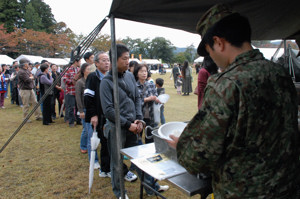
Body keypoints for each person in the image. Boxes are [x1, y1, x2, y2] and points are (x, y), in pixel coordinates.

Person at [167, 4, 300, 198]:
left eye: (209, 51)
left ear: (218, 42)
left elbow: (198, 158)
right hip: (287, 187)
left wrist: (182, 145)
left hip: (244, 192)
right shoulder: (280, 73)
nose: (211, 57)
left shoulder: (227, 84)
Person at [100, 44, 168, 199]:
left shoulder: (130, 76)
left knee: (142, 159)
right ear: (113, 60)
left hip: (134, 125)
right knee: (117, 163)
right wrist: (127, 124)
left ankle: (152, 188)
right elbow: (109, 110)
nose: (127, 62)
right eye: (124, 59)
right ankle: (120, 193)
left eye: (128, 58)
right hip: (117, 128)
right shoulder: (106, 82)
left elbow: (137, 98)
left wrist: (139, 119)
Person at [84, 51, 111, 175]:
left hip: (110, 114)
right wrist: (93, 115)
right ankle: (105, 169)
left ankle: (106, 168)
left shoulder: (110, 76)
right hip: (99, 115)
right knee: (104, 142)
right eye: (104, 60)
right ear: (96, 63)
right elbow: (88, 98)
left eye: (108, 60)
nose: (107, 63)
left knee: (109, 141)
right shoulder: (93, 77)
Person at [134, 64, 161, 143]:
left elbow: (156, 96)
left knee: (150, 137)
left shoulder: (151, 84)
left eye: (145, 71)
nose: (144, 73)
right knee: (137, 136)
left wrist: (157, 99)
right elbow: (135, 101)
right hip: (139, 115)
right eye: (141, 71)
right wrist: (147, 99)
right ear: (137, 73)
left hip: (150, 115)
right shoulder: (134, 86)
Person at [75, 63, 91, 154]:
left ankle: (88, 144)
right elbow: (78, 97)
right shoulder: (80, 82)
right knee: (85, 129)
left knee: (89, 128)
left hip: (90, 108)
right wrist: (80, 110)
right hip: (84, 108)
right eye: (88, 69)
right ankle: (83, 145)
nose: (89, 71)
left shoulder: (90, 81)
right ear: (84, 71)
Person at [63, 59, 81, 127]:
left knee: (78, 107)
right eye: (79, 61)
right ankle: (71, 121)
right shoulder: (68, 69)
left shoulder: (79, 69)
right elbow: (65, 79)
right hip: (70, 91)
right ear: (76, 62)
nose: (80, 63)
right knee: (71, 107)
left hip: (78, 91)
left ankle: (79, 120)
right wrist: (72, 81)